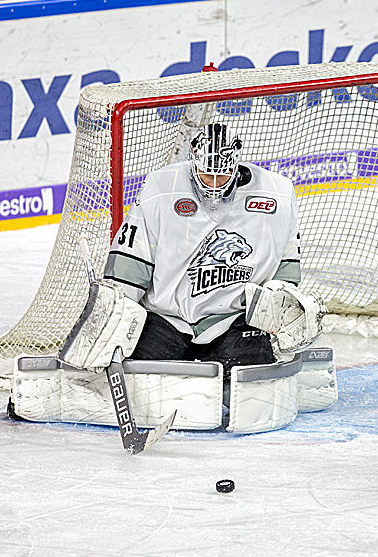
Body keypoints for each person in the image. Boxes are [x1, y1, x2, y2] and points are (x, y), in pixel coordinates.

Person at [99, 122, 323, 377]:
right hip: (167, 319)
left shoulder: (277, 194)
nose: (214, 184)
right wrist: (112, 318)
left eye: (222, 175)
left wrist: (280, 307)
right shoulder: (161, 188)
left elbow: (286, 269)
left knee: (251, 376)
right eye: (207, 175)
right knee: (140, 370)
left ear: (235, 166)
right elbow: (132, 261)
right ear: (193, 163)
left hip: (233, 321)